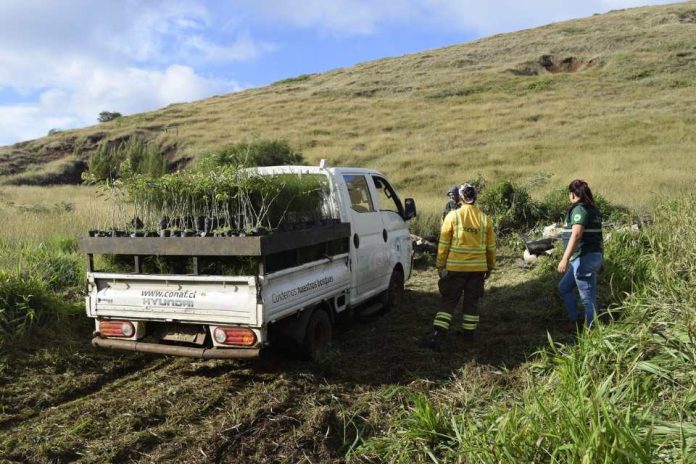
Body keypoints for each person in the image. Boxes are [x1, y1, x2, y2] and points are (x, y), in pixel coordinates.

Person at [424, 183, 496, 350]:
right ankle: (468, 336)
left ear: (461, 197)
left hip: (456, 268)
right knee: (472, 302)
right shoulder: (485, 219)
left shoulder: (453, 216)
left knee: (449, 300)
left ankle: (438, 335)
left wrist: (440, 265)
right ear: (475, 197)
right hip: (478, 270)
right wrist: (490, 266)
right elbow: (491, 248)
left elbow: (443, 244)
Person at [558, 179, 603, 329]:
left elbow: (576, 235)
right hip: (590, 256)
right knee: (564, 287)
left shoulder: (579, 209)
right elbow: (599, 238)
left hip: (584, 259)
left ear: (572, 194)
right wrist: (601, 259)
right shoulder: (593, 210)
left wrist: (564, 259)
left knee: (587, 298)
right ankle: (574, 319)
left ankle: (593, 332)